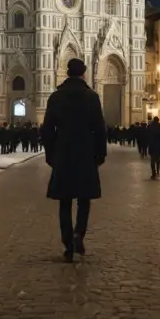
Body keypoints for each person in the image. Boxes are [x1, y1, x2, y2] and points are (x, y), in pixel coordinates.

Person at [41, 58, 107, 263]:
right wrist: (99, 155)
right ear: (83, 74)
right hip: (85, 154)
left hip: (63, 153)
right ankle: (79, 233)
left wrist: (51, 154)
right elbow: (100, 129)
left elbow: (47, 129)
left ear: (68, 73)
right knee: (84, 199)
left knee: (65, 201)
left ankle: (68, 244)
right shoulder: (92, 97)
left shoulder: (56, 97)